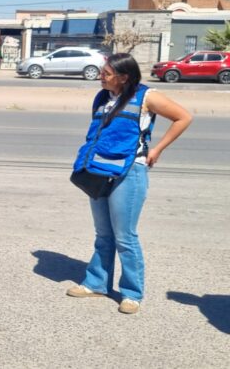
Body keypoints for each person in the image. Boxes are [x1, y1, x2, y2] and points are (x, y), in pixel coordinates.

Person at [67, 53, 191, 314]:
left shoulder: (147, 96)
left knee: (125, 237)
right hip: (99, 171)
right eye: (103, 71)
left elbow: (183, 117)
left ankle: (132, 293)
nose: (101, 75)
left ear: (124, 77)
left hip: (129, 172)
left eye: (107, 73)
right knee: (103, 235)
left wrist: (157, 150)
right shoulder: (102, 98)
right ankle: (96, 283)